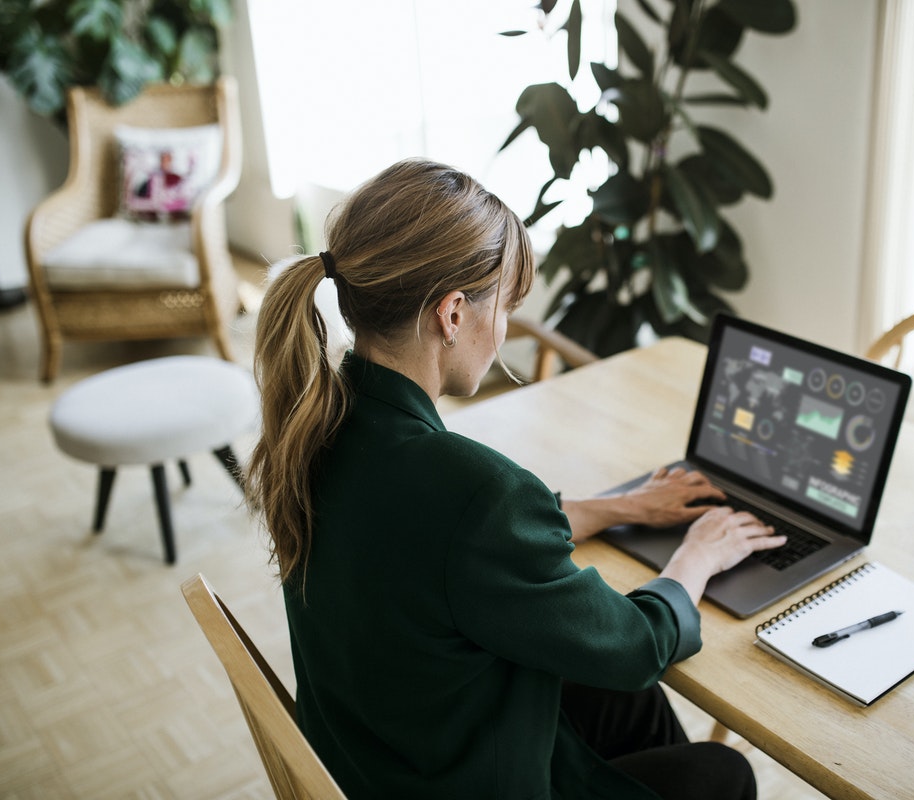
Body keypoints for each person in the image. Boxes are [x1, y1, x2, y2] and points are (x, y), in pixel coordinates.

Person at [247, 159, 786, 799]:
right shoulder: (474, 491)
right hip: (460, 781)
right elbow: (637, 646)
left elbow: (447, 543)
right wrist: (696, 558)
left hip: (383, 757)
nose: (501, 330)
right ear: (452, 314)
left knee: (614, 697)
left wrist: (619, 507)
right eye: (501, 305)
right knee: (722, 775)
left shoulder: (320, 425)